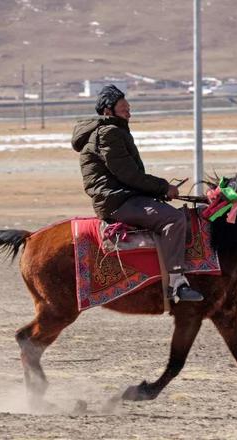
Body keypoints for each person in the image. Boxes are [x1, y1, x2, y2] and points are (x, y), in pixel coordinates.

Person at [71, 85, 203, 302]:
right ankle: (177, 283)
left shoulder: (110, 131)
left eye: (129, 108)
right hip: (117, 200)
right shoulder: (108, 133)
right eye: (123, 109)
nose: (128, 113)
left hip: (122, 196)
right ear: (107, 111)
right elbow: (128, 174)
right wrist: (163, 187)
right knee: (173, 219)